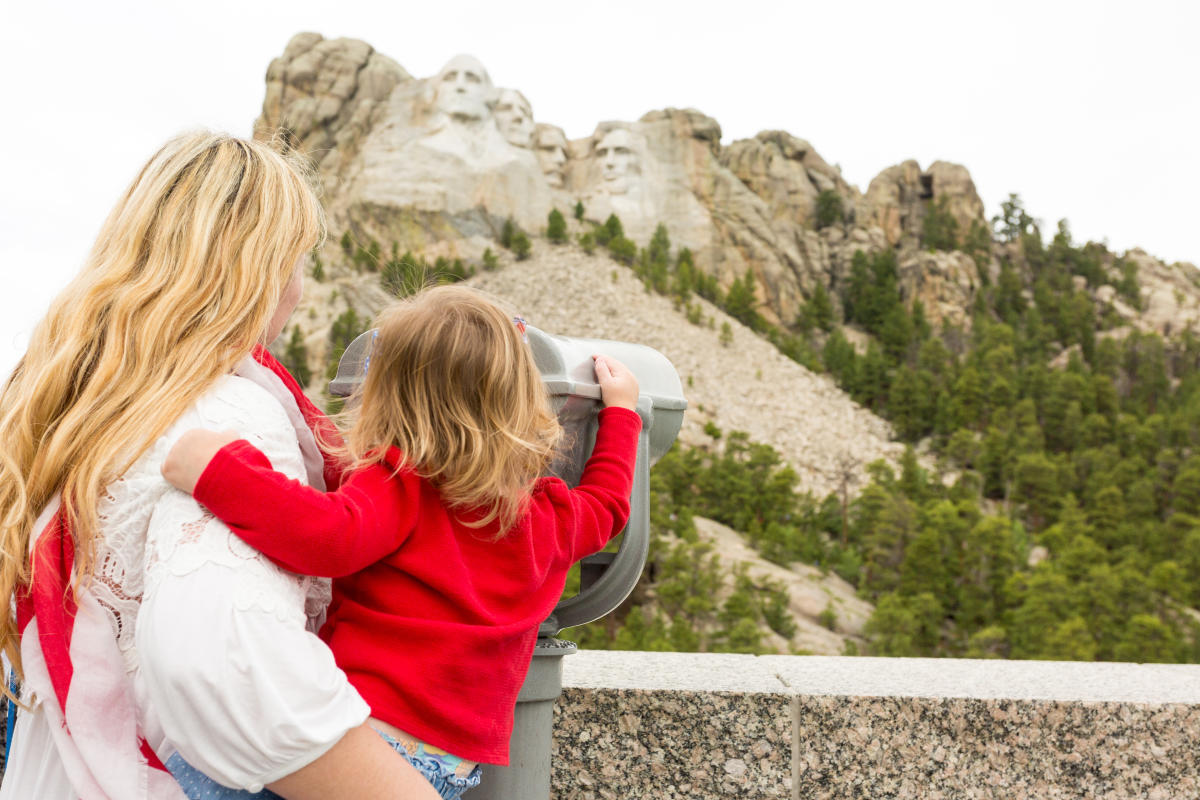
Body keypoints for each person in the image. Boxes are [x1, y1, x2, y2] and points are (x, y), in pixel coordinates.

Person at [0, 131, 438, 800]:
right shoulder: (227, 415)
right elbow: (224, 664)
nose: (295, 292)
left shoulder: (76, 405)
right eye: (294, 263)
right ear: (256, 272)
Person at [159, 285, 643, 800]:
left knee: (182, 774)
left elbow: (323, 535)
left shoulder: (399, 483)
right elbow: (610, 503)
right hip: (447, 765)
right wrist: (622, 413)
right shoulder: (550, 515)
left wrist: (218, 471)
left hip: (363, 741)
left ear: (385, 394)